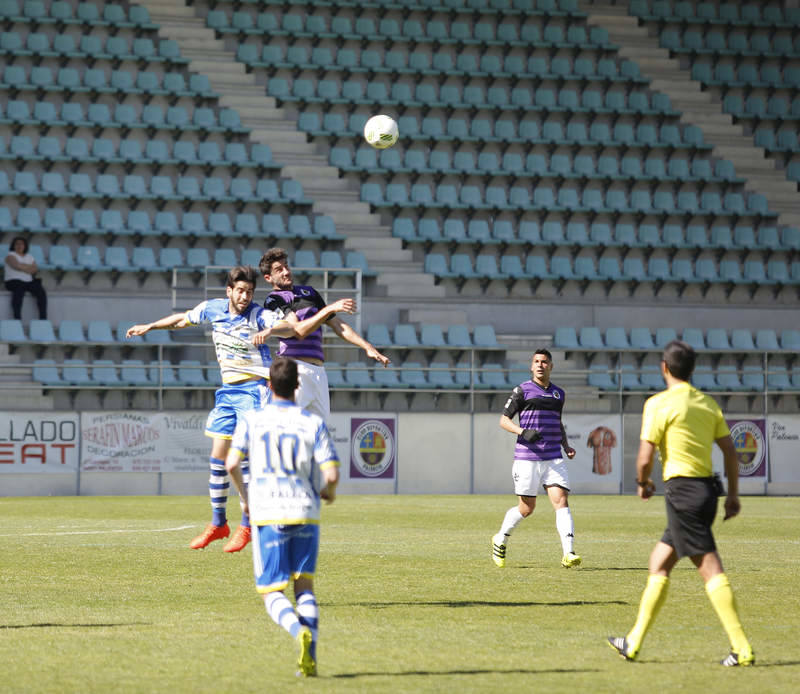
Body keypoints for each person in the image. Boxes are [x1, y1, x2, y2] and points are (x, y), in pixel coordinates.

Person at [125, 266, 353, 553]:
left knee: (244, 459)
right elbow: (182, 320)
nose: (245, 297)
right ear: (229, 291)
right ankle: (219, 523)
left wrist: (270, 329)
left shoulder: (258, 314)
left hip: (255, 388)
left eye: (249, 292)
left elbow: (291, 327)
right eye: (240, 291)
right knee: (218, 457)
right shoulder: (213, 309)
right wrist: (150, 327)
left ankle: (247, 525)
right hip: (228, 391)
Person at [607, 340, 754, 667]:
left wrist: (643, 484)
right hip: (706, 493)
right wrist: (732, 495)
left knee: (711, 569)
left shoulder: (659, 404)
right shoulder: (707, 403)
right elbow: (731, 451)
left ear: (664, 367)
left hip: (682, 494)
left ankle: (741, 647)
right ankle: (632, 642)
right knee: (659, 563)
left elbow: (644, 459)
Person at [225, 357, 339, 678]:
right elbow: (330, 473)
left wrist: (246, 501)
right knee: (304, 588)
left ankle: (295, 629)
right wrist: (329, 492)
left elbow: (232, 463)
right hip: (305, 510)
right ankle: (311, 651)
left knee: (273, 592)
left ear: (269, 385)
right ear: (298, 386)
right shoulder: (312, 423)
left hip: (268, 511)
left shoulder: (252, 419)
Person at [259, 247, 390, 421]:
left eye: (286, 266)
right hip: (295, 370)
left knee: (320, 436)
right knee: (286, 429)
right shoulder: (274, 300)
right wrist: (329, 309)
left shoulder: (310, 292)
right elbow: (298, 331)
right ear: (268, 278)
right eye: (279, 269)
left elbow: (337, 324)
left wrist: (366, 346)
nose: (286, 271)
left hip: (319, 373)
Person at [491, 348, 581, 569]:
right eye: (536, 361)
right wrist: (522, 431)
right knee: (526, 509)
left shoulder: (559, 394)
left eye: (545, 362)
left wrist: (566, 446)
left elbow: (558, 423)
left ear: (551, 366)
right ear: (532, 366)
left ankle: (568, 553)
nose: (540, 365)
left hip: (553, 457)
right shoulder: (522, 390)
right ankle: (500, 538)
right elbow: (503, 420)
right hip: (527, 458)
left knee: (561, 502)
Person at [4, 237, 47, 320]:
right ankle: (17, 319)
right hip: (13, 281)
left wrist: (22, 266)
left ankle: (43, 319)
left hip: (28, 282)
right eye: (17, 244)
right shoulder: (10, 255)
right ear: (13, 245)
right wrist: (28, 268)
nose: (19, 246)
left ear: (25, 246)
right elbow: (16, 265)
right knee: (19, 291)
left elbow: (34, 270)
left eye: (21, 244)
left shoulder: (29, 256)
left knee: (41, 292)